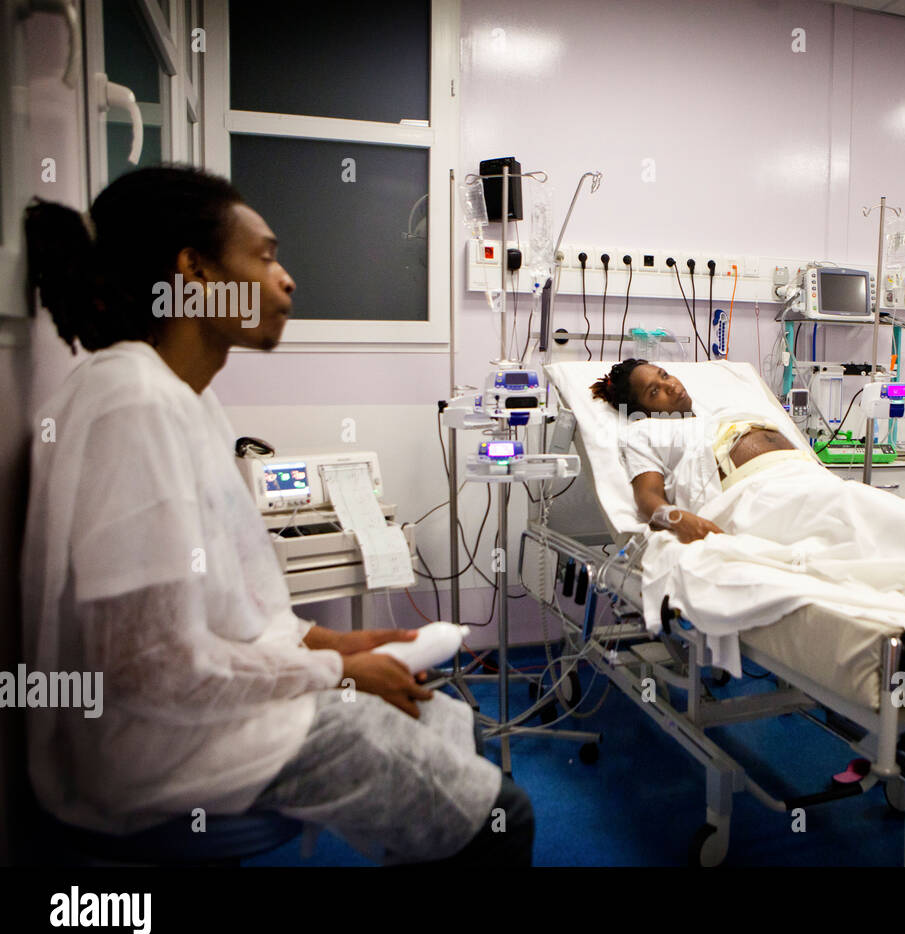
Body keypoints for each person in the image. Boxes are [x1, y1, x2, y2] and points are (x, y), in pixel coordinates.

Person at [22, 165, 532, 865]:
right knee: (504, 817)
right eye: (263, 256)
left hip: (203, 715)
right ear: (194, 272)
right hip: (160, 749)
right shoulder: (134, 405)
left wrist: (337, 643)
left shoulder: (183, 398)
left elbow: (229, 614)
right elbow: (147, 669)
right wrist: (340, 675)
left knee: (450, 721)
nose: (286, 279)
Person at [591, 357, 818, 543]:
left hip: (806, 475)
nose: (670, 386)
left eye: (665, 375)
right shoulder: (644, 431)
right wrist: (679, 520)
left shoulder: (714, 413)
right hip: (756, 495)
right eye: (654, 392)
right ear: (642, 410)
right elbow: (648, 495)